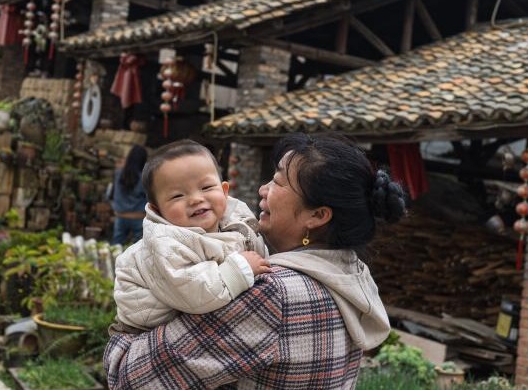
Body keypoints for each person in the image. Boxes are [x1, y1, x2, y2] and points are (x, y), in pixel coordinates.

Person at [105, 132, 406, 390]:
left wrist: (122, 338)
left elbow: (130, 378)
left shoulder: (271, 293)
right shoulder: (349, 276)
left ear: (317, 215)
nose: (263, 190)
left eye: (277, 182)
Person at [113, 140, 271, 331]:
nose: (196, 199)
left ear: (224, 191)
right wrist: (239, 268)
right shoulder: (164, 243)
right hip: (145, 326)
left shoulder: (238, 221)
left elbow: (256, 249)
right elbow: (194, 292)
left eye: (206, 188)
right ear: (157, 210)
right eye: (178, 196)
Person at [111, 145, 148, 246]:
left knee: (116, 246)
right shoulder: (144, 178)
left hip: (120, 216)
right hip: (138, 217)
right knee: (138, 249)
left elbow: (112, 193)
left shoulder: (118, 174)